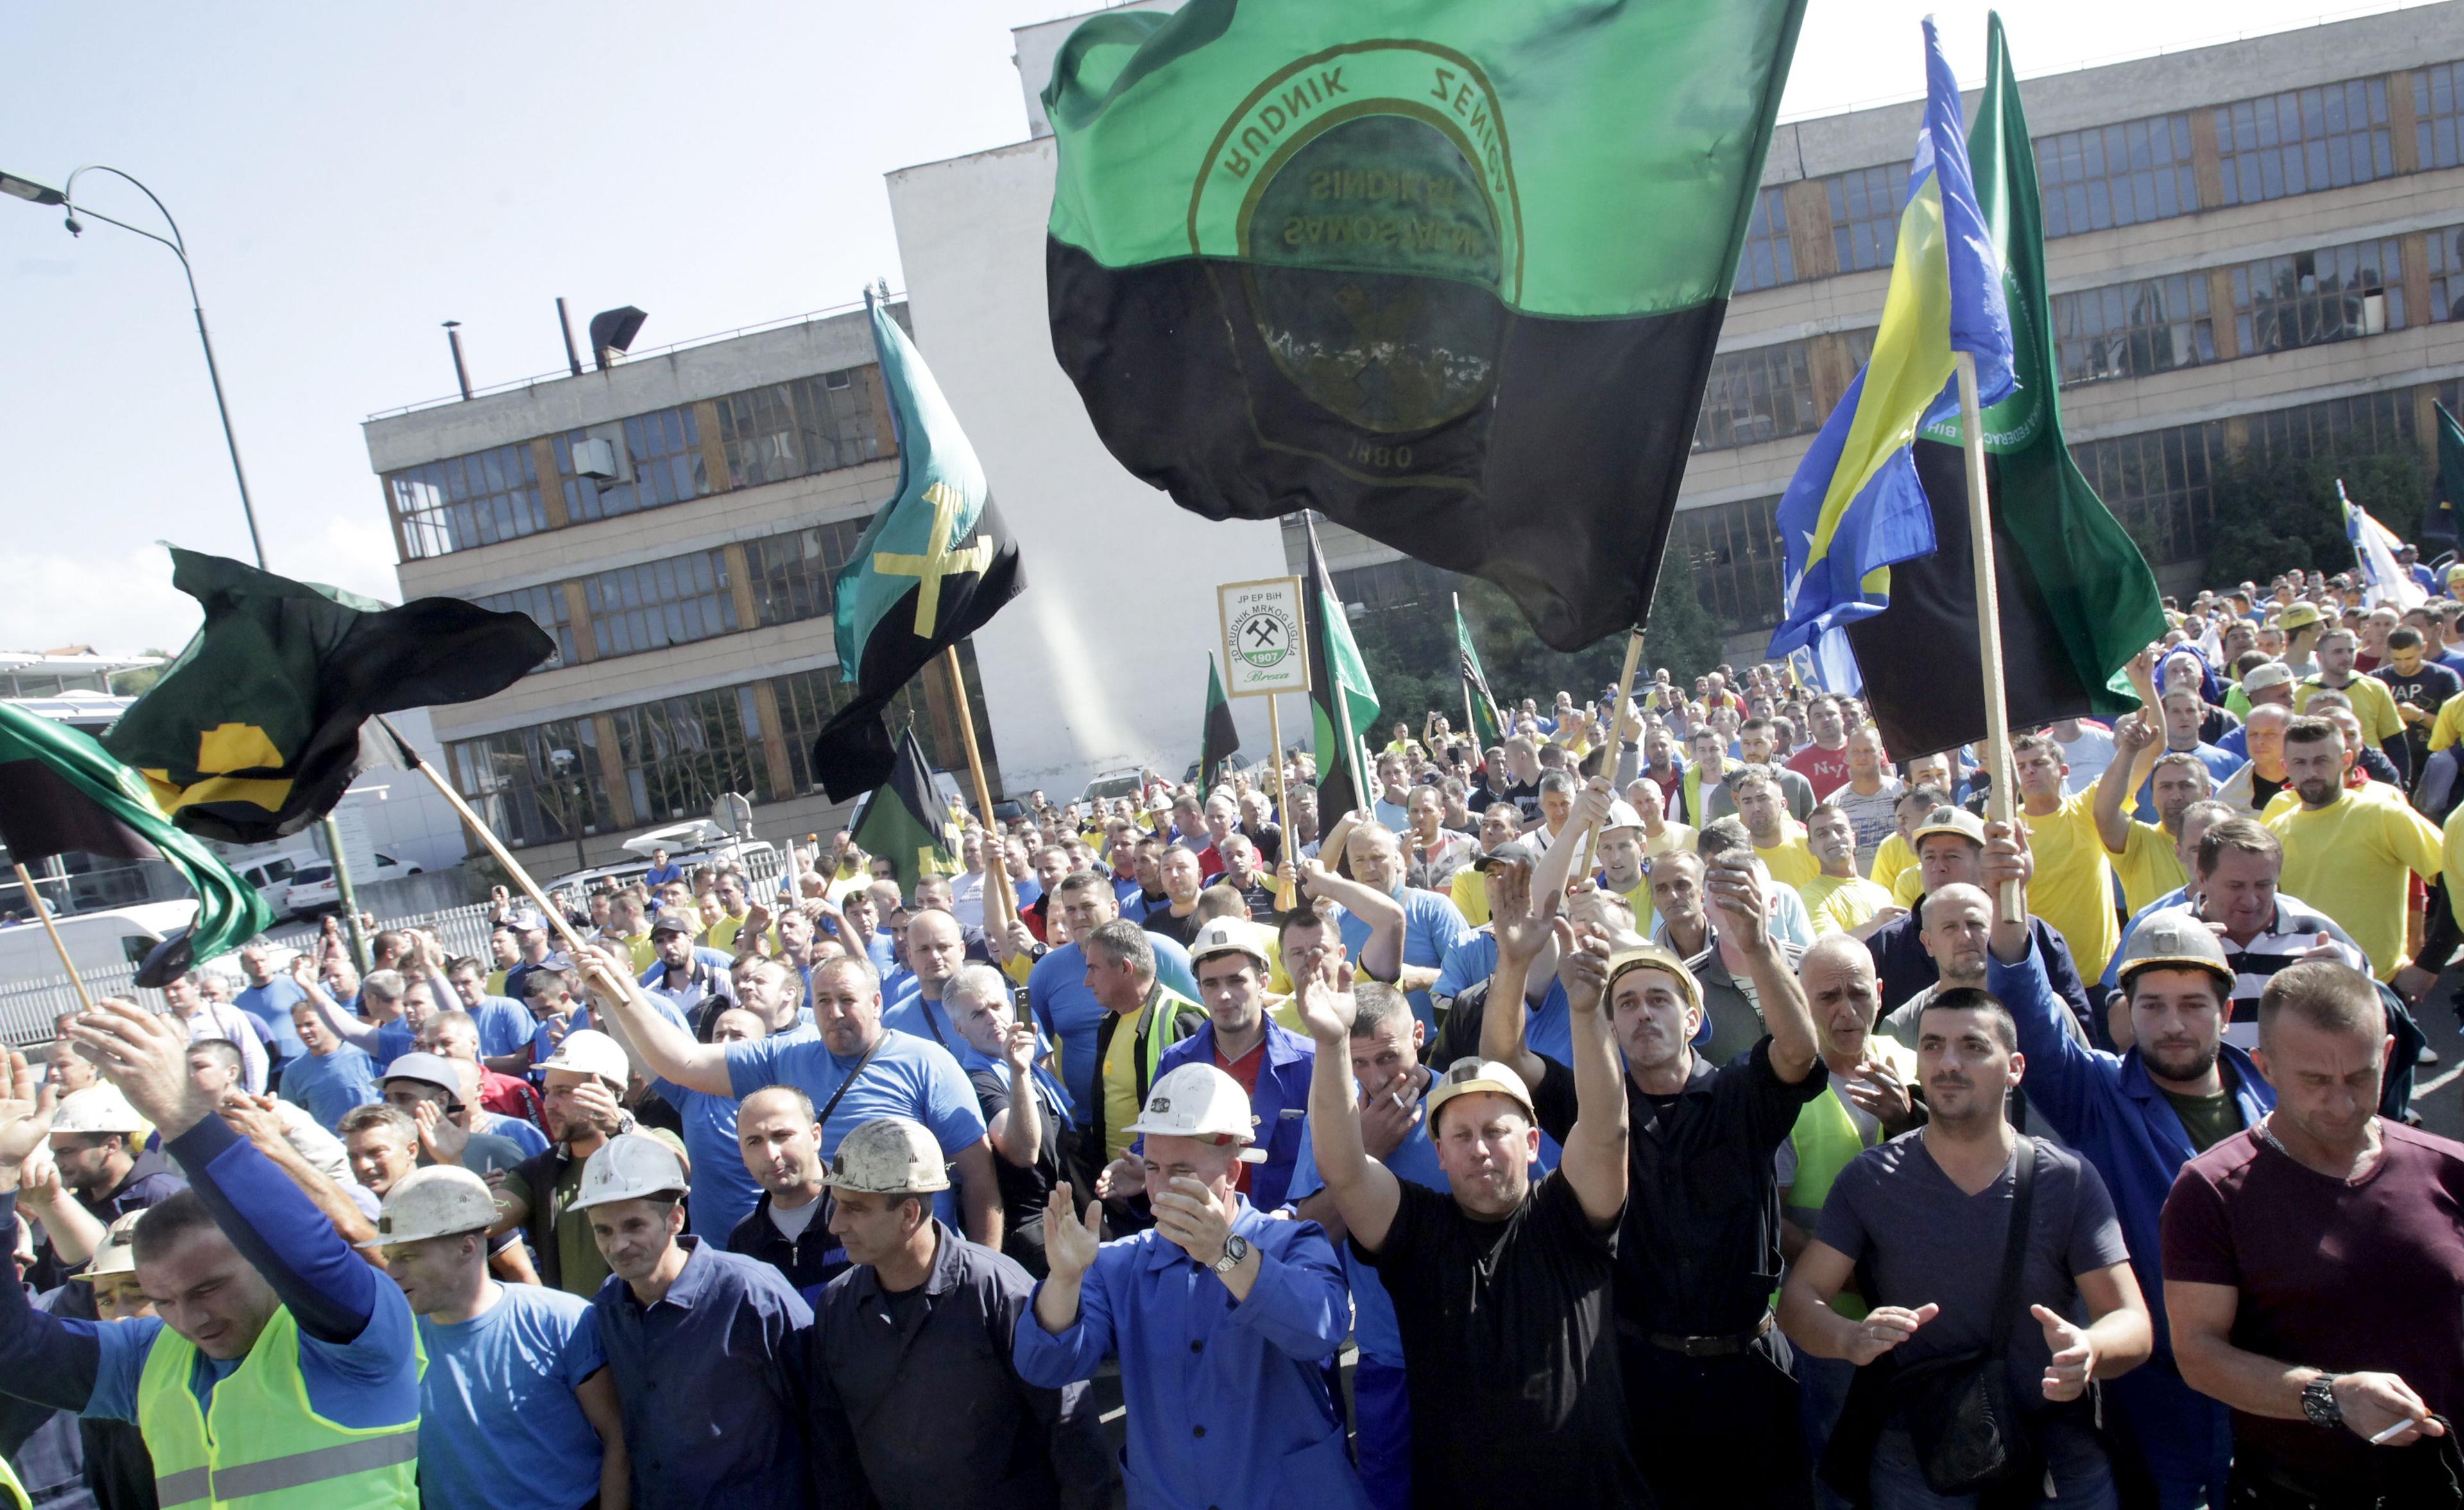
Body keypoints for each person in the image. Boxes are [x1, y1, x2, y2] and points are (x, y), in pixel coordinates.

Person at [1491, 839, 1827, 1509]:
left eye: (1659, 999)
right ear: (1611, 1025)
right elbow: (1504, 1058)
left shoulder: (1740, 1095)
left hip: (1750, 1377)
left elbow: (1797, 1051)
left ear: (1693, 1017)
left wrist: (1758, 948)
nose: (1643, 1012)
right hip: (1642, 1377)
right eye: (1628, 1003)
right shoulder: (1596, 1110)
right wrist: (1513, 959)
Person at [1307, 859, 1647, 1509]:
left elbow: (1608, 1131)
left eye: (1496, 1129)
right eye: (1461, 1136)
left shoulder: (1569, 1216)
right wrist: (1329, 1045)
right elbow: (1345, 1170)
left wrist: (1586, 1009)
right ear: (1438, 1154)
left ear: (1531, 1139)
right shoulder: (1419, 1229)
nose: (1481, 1148)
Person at [0, 1003, 422, 1506]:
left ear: (261, 1262)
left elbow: (308, 1252)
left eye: (208, 1288)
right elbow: (14, 1350)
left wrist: (185, 1118)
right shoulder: (147, 1358)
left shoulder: (353, 1335)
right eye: (163, 1300)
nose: (191, 1318)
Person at [1981, 819, 2270, 1509]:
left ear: (2225, 1011)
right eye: (2154, 1004)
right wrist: (2008, 903)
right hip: (2155, 1383)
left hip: (2265, 1374)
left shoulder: (2272, 1099)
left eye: (2193, 1004)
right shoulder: (2100, 1094)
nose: (2174, 1023)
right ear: (2126, 1011)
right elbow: (2032, 1015)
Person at [1778, 981, 2153, 1508]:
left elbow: (2132, 1322)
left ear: (2016, 1068)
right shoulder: (1871, 1179)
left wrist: (2090, 1351)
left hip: (2054, 1457)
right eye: (1931, 1045)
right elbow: (1801, 1301)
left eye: (1973, 1047)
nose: (1948, 1063)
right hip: (1919, 1458)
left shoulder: (2066, 1179)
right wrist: (1847, 1339)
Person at [2163, 960, 2464, 1508]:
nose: (2341, 1102)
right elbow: (2199, 1354)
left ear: (2389, 1054)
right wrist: (2331, 1396)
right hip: (2295, 1493)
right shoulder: (2211, 1191)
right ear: (2265, 1067)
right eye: (2316, 1082)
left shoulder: (2448, 1170)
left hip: (2447, 1481)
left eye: (2360, 1077)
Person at [1013, 1062, 1368, 1510]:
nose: (1160, 1188)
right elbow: (1045, 1366)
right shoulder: (1120, 1264)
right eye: (1155, 1168)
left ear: (1233, 1172)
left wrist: (1226, 1253)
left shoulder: (1294, 1242)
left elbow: (1320, 1330)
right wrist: (1064, 1281)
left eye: (1181, 1170)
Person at [577, 949, 1000, 1247]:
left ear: (876, 1003)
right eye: (824, 1001)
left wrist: (983, 1266)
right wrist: (616, 992)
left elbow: (980, 1177)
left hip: (921, 1257)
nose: (834, 1013)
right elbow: (683, 1061)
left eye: (847, 1001)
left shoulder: (928, 1063)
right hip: (830, 1260)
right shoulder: (785, 1056)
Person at [809, 1117, 1084, 1510]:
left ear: (908, 1214)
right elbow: (833, 1445)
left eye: (854, 1209)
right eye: (836, 1206)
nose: (836, 1225)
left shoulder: (999, 1293)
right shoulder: (837, 1307)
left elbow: (1070, 1429)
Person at [578, 1132, 815, 1507]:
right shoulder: (608, 1307)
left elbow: (823, 1411)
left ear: (675, 1219)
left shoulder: (750, 1293)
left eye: (634, 1226)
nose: (617, 1245)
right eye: (603, 1231)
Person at [375, 1165, 627, 1510]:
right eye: (389, 1258)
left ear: (466, 1248)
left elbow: (619, 1438)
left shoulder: (561, 1321)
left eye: (408, 1256)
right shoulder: (394, 1342)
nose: (392, 1273)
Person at [1776, 933, 1921, 1486]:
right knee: (1839, 1470)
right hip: (1828, 1323)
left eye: (1858, 993)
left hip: (1917, 1318)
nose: (1846, 1011)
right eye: (1827, 997)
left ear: (1880, 994)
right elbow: (1773, 1220)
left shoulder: (1913, 1065)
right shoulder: (1781, 1088)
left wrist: (1910, 1121)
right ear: (1799, 998)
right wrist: (1850, 1275)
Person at [492, 1031, 690, 1298]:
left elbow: (678, 1168)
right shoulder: (540, 1172)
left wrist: (619, 1125)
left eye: (564, 1092)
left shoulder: (652, 1144)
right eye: (548, 1092)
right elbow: (487, 1220)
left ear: (607, 1092)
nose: (549, 1104)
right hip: (581, 1332)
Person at [1149, 919, 1314, 1213]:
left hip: (1288, 1239)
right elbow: (1151, 1145)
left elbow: (1334, 1163)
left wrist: (1292, 1216)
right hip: (1197, 1231)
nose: (1224, 995)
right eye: (1211, 983)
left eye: (1236, 980)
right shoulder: (1174, 1064)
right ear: (1199, 989)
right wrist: (1140, 1168)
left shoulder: (1309, 1063)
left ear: (1263, 982)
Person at [2269, 717, 2442, 982]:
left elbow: (2454, 878)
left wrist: (2429, 965)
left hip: (2377, 986)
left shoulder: (2384, 815)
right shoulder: (2277, 830)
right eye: (2300, 763)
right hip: (2305, 987)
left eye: (2322, 761)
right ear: (2285, 767)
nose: (2311, 772)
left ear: (2347, 759)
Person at [1024, 872, 1202, 1125]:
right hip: (1085, 1127)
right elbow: (1035, 1047)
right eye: (1070, 909)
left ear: (1114, 908)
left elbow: (1204, 1021)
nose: (1078, 917)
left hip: (1168, 1120)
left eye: (1087, 906)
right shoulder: (1047, 971)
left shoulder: (1162, 953)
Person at [946, 967, 1068, 1278]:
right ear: (960, 1030)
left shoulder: (1029, 1064)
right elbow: (1023, 1151)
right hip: (1033, 1235)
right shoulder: (977, 1081)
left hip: (1065, 1218)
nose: (992, 1018)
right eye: (977, 1014)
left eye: (997, 1006)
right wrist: (1018, 1072)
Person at [1335, 822, 1476, 1031]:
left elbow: (1474, 978)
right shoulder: (1336, 920)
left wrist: (1421, 978)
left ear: (1397, 859)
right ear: (1350, 866)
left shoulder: (1434, 909)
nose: (1370, 868)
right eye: (1360, 860)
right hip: (1362, 1054)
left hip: (1431, 1047)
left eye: (1377, 857)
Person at [2012, 733, 2123, 985]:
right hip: (2039, 976)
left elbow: (2137, 765)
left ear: (2063, 770)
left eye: (2039, 763)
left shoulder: (2087, 808)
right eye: (2021, 766)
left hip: (2100, 976)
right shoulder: (2007, 823)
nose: (2029, 771)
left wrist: (2129, 748)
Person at [725, 1085, 839, 1298]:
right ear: (742, 1153)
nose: (770, 1154)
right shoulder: (744, 1241)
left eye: (782, 1135)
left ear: (815, 1137)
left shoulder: (862, 1215)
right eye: (754, 1142)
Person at [158, 972, 268, 1096]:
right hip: (189, 1103)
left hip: (229, 1097)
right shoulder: (164, 1023)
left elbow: (253, 1055)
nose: (170, 995)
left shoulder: (225, 1014)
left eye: (177, 988)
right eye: (165, 990)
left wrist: (254, 1095)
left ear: (196, 988)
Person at [1799, 803, 1895, 936]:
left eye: (1840, 830)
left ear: (1854, 839)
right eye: (1822, 834)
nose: (1834, 838)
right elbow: (1828, 948)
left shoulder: (1882, 892)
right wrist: (1875, 925)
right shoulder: (1810, 895)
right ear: (1811, 848)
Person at [230, 941, 309, 1069]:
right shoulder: (240, 1001)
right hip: (271, 1067)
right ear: (244, 967)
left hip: (303, 1057)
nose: (260, 965)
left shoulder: (294, 984)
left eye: (263, 960)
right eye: (253, 962)